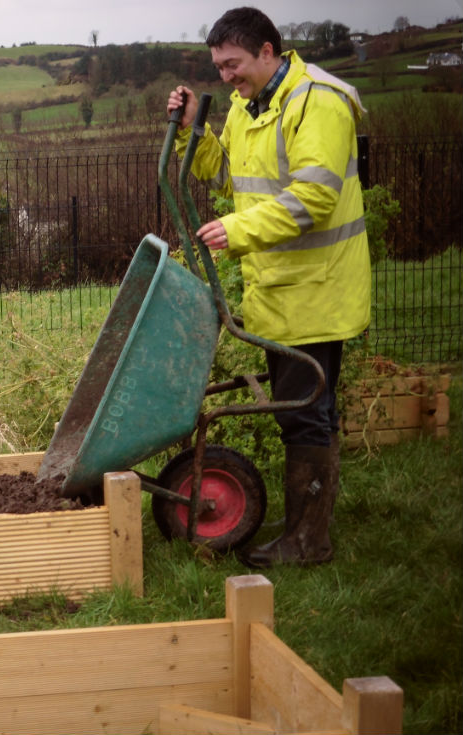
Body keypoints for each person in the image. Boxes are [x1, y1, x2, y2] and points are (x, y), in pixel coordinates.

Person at [166, 7, 370, 567]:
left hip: (316, 289)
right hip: (278, 288)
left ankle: (307, 542)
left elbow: (314, 197)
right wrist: (193, 132)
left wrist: (236, 230)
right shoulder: (247, 106)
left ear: (266, 51)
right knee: (301, 409)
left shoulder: (317, 102)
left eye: (233, 64)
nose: (226, 76)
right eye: (219, 67)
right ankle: (306, 525)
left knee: (306, 410)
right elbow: (224, 172)